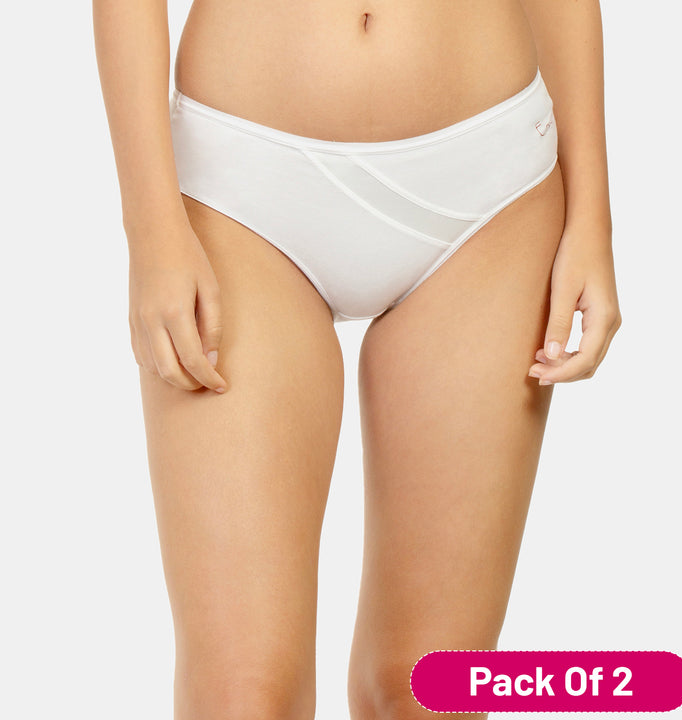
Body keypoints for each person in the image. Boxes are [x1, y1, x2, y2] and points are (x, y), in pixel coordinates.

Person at [93, 1, 621, 718]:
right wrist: (151, 227)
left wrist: (593, 214)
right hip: (239, 189)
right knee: (239, 696)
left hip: (490, 191)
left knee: (426, 689)